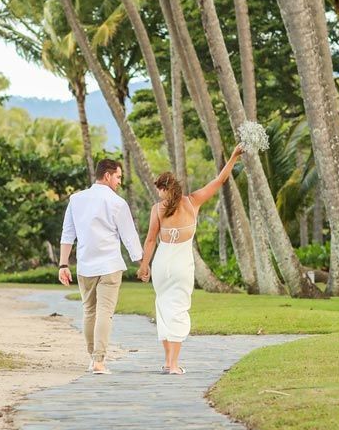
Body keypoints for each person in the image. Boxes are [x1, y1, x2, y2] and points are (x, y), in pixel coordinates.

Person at [137, 145, 244, 375]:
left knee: (164, 308)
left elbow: (150, 241)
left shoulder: (158, 209)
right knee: (179, 309)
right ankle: (173, 365)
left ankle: (167, 362)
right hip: (182, 265)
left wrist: (144, 265)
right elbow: (219, 180)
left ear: (165, 189)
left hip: (162, 264)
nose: (158, 195)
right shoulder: (192, 202)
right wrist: (234, 157)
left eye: (159, 190)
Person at [59, 159, 143, 375]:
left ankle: (92, 358)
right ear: (107, 176)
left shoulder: (76, 200)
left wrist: (63, 264)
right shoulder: (117, 203)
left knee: (89, 312)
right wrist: (141, 263)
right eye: (118, 177)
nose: (119, 182)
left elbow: (68, 234)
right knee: (105, 312)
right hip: (110, 266)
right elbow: (129, 236)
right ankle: (98, 361)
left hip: (85, 266)